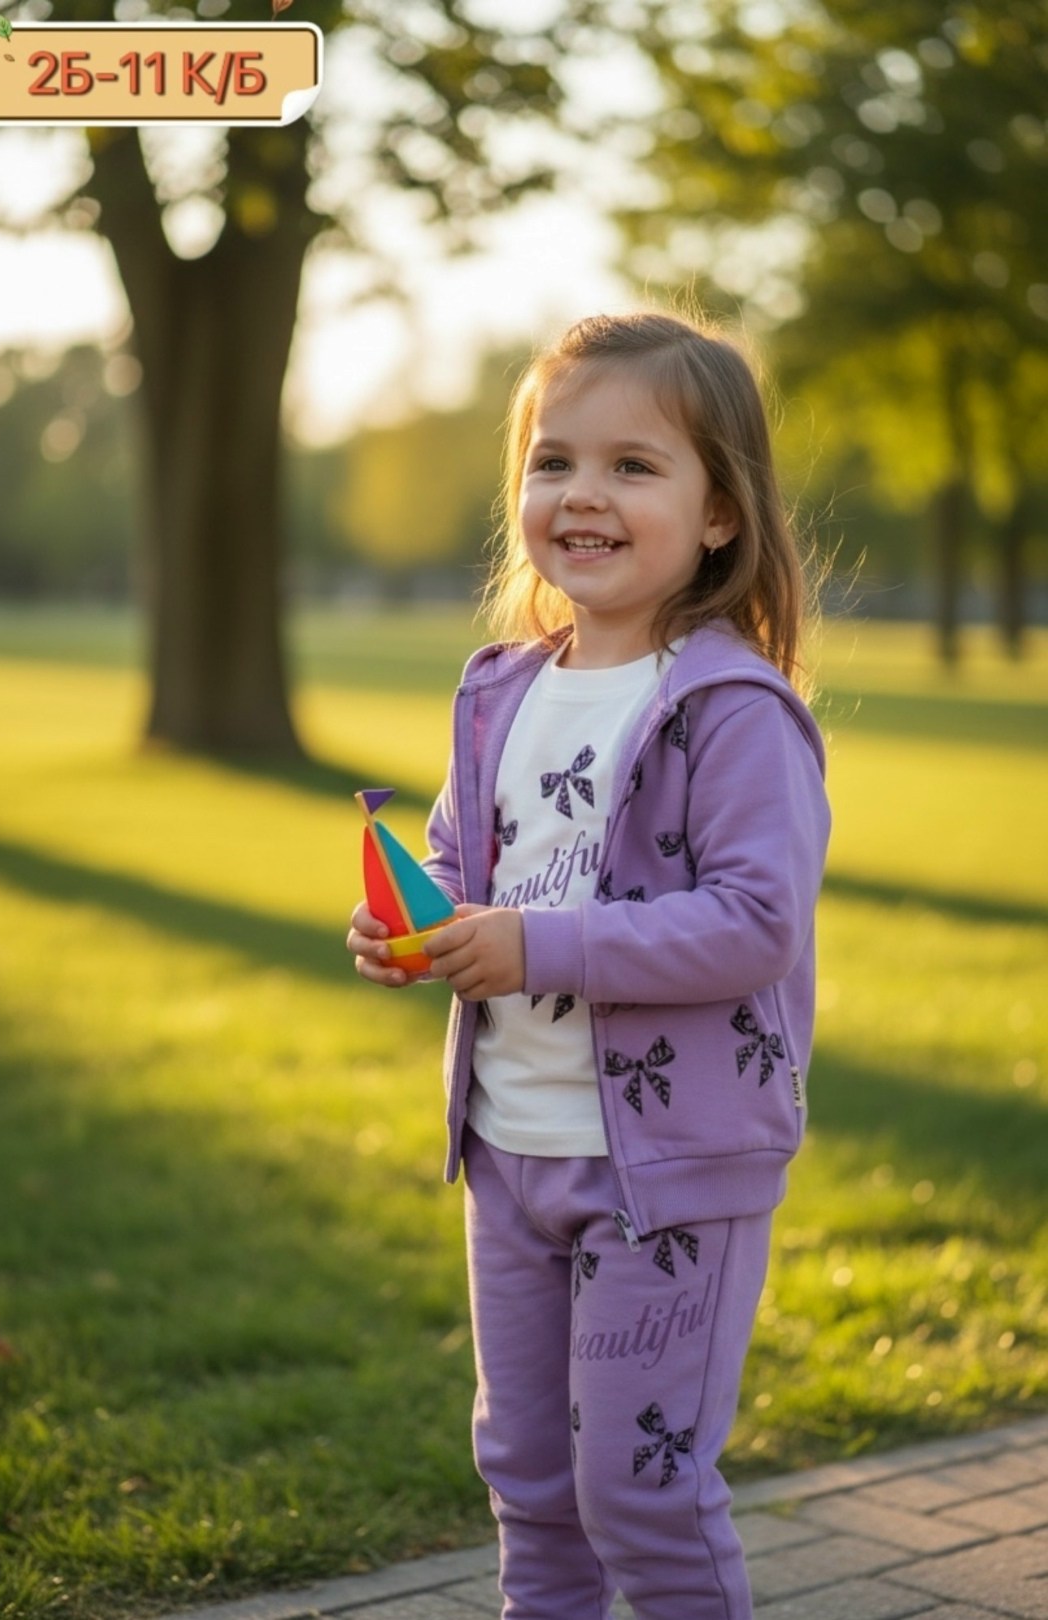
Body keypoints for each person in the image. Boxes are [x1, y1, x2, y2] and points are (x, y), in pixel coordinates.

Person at [346, 309, 830, 1620]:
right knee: (526, 1473)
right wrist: (419, 922)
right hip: (511, 1153)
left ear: (720, 512)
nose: (583, 494)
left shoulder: (733, 711)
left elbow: (753, 923)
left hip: (665, 1174)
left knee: (639, 1492)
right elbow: (468, 868)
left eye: (633, 465)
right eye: (554, 460)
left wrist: (533, 945)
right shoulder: (500, 689)